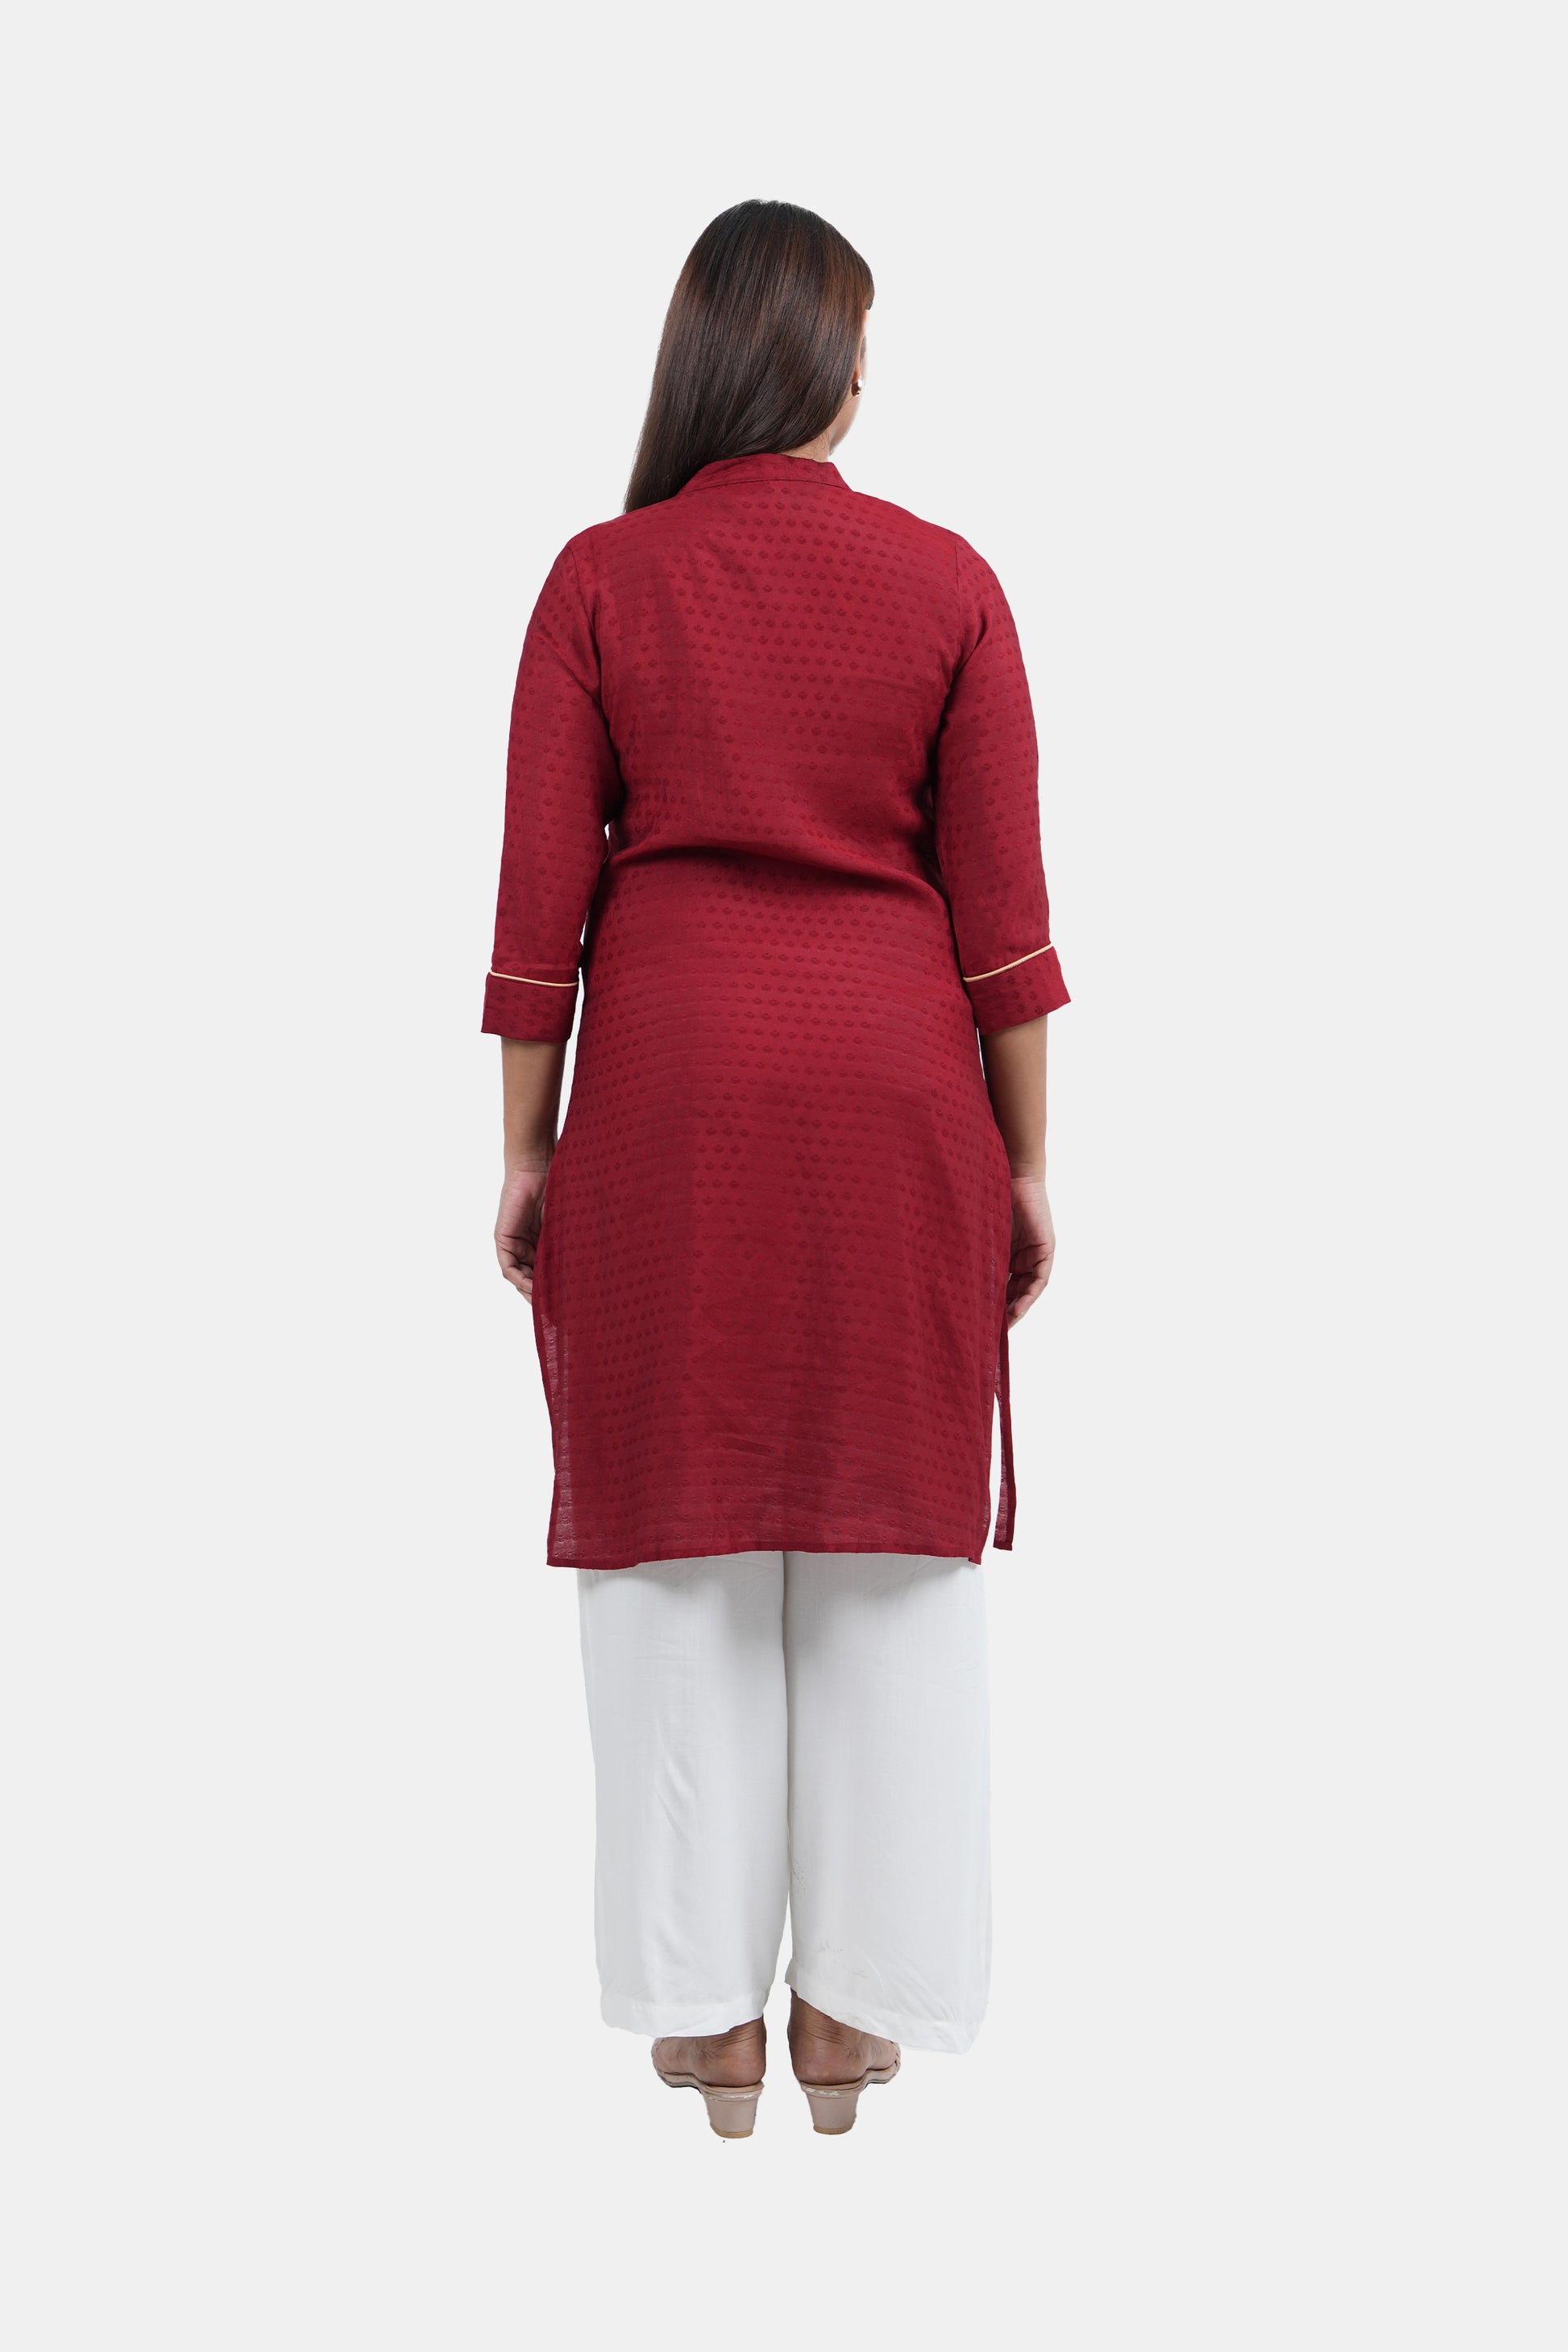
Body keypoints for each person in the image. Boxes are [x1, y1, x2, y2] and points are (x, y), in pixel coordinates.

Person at [483, 200, 1068, 2138]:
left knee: (677, 1544)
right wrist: (1027, 1165)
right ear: (829, 364)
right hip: (895, 1103)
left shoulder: (598, 581)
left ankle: (703, 2015)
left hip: (665, 1101)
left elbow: (537, 916)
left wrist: (525, 1151)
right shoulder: (950, 584)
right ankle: (853, 2013)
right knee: (891, 1544)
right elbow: (1005, 927)